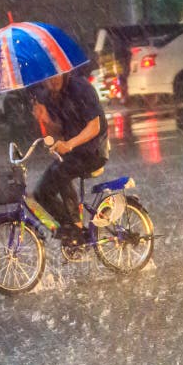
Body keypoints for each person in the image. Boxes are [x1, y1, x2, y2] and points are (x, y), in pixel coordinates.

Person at [30, 71, 109, 246]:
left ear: (65, 71)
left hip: (94, 151)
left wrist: (70, 144)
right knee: (41, 192)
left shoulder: (81, 88)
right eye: (48, 76)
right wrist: (45, 119)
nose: (53, 80)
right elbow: (57, 131)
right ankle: (72, 229)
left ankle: (75, 230)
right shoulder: (50, 97)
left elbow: (94, 126)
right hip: (72, 155)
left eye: (56, 74)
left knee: (60, 172)